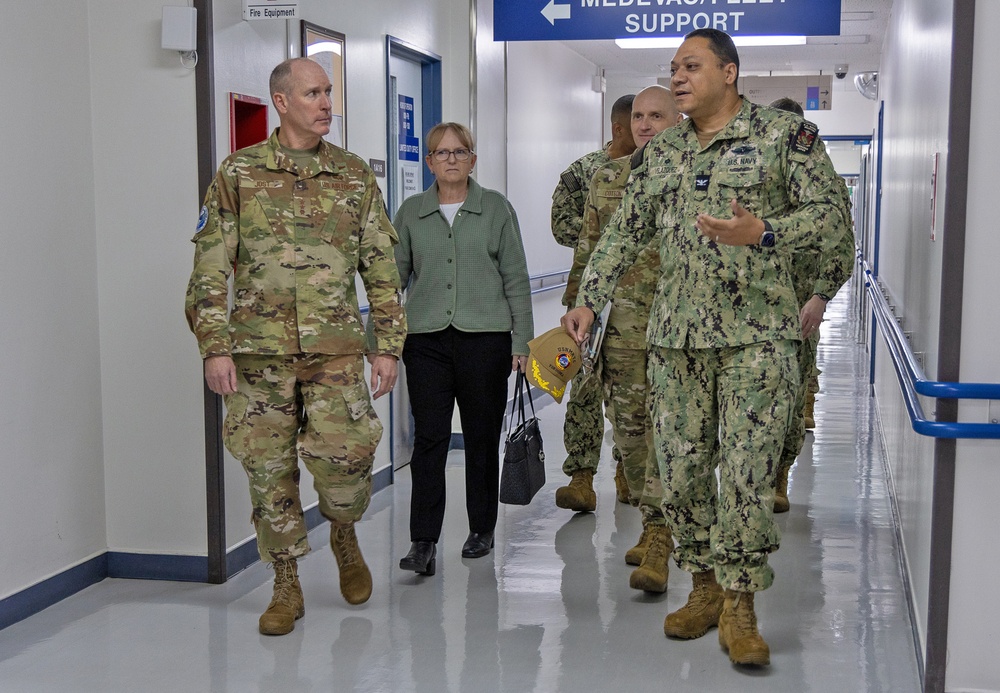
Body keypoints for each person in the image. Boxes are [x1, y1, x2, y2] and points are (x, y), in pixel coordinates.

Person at [563, 30, 852, 667]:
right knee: (685, 472)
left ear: (729, 71)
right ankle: (703, 587)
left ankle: (742, 603)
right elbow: (624, 231)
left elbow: (835, 220)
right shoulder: (662, 154)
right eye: (674, 68)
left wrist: (765, 230)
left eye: (691, 67)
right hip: (676, 340)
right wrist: (589, 295)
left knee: (747, 477)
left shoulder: (783, 140)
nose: (680, 77)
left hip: (759, 339)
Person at [185, 58, 406, 636]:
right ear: (282, 102)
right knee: (267, 469)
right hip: (258, 353)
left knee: (347, 461)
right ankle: (285, 580)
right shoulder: (239, 173)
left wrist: (388, 346)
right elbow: (210, 266)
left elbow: (383, 267)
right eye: (314, 93)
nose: (327, 103)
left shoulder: (354, 176)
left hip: (335, 350)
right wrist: (215, 346)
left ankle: (342, 529)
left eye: (329, 92)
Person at [393, 122, 533, 575]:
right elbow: (390, 279)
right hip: (426, 340)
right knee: (429, 438)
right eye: (441, 152)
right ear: (429, 162)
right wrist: (381, 340)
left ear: (473, 159)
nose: (451, 159)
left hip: (486, 339)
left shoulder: (494, 209)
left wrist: (521, 342)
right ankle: (423, 541)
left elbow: (516, 278)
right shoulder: (411, 212)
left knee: (479, 437)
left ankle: (481, 529)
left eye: (460, 151)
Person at [563, 85, 683, 593]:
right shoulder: (608, 178)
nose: (645, 124)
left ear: (677, 120)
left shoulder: (695, 178)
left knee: (673, 433)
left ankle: (660, 535)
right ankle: (652, 521)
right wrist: (575, 307)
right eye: (638, 116)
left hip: (682, 331)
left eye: (657, 115)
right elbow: (589, 248)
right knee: (632, 435)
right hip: (622, 330)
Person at [768, 97, 855, 513]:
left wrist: (820, 297)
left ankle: (778, 477)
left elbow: (842, 248)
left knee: (787, 397)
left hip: (799, 308)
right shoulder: (752, 180)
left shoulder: (827, 185)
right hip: (749, 307)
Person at [552, 94, 637, 512]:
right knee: (583, 386)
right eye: (637, 120)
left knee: (632, 392)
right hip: (592, 296)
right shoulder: (585, 173)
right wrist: (609, 244)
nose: (645, 129)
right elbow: (563, 226)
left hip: (640, 302)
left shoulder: (664, 170)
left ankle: (626, 467)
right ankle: (581, 475)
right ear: (620, 128)